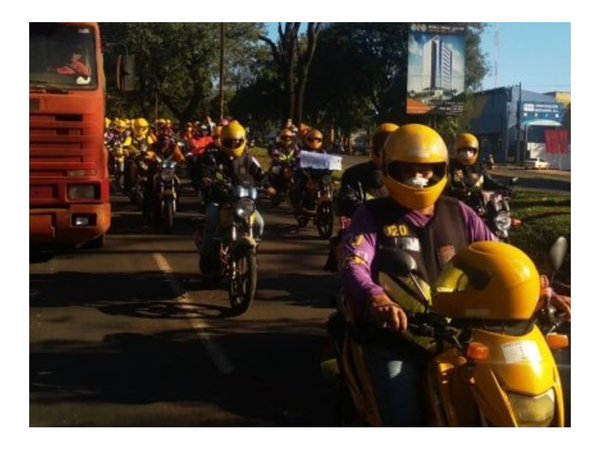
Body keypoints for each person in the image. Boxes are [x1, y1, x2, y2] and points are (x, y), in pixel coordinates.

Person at [340, 124, 498, 426]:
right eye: (408, 169)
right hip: (397, 339)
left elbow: (500, 254)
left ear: (442, 170)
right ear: (389, 168)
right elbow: (354, 264)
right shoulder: (371, 214)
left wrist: (537, 286)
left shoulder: (461, 212)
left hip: (460, 335)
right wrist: (377, 298)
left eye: (427, 170)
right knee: (402, 418)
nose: (419, 177)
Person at [195, 120, 275, 277]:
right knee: (211, 219)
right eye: (229, 142)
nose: (233, 145)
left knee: (259, 223)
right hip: (220, 201)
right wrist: (206, 178)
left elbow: (261, 174)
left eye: (237, 142)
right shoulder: (213, 157)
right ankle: (207, 257)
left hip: (243, 203)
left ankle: (251, 253)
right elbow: (206, 169)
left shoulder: (249, 158)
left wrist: (268, 186)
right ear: (222, 141)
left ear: (243, 141)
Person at [324, 123, 398, 272]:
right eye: (385, 150)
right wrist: (368, 212)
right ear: (375, 150)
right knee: (350, 258)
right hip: (365, 229)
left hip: (399, 231)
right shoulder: (355, 174)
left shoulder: (406, 176)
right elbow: (346, 200)